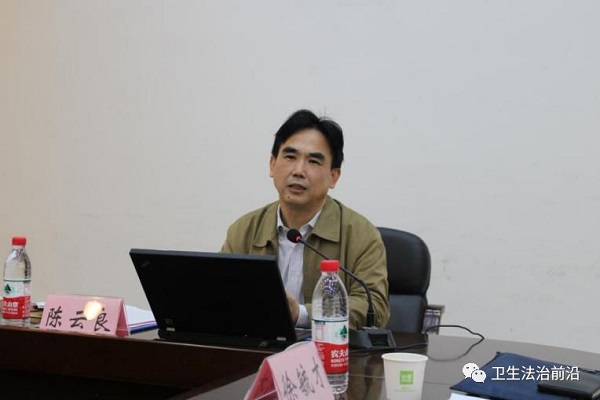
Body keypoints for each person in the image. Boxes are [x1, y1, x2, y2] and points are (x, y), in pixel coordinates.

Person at [221, 109, 390, 330]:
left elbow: (374, 308)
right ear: (272, 164)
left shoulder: (361, 235)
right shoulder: (243, 230)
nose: (298, 170)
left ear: (334, 176)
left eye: (313, 161)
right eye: (290, 157)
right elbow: (221, 295)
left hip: (329, 349)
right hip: (258, 347)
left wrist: (301, 314)